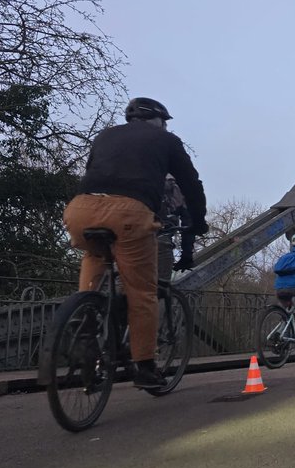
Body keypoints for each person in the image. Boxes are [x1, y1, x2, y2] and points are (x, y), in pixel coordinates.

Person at [63, 97, 207, 389]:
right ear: (157, 120)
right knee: (142, 292)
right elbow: (191, 184)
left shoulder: (105, 135)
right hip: (128, 213)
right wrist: (199, 221)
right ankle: (145, 366)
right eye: (164, 121)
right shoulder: (166, 140)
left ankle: (84, 320)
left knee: (94, 256)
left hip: (80, 210)